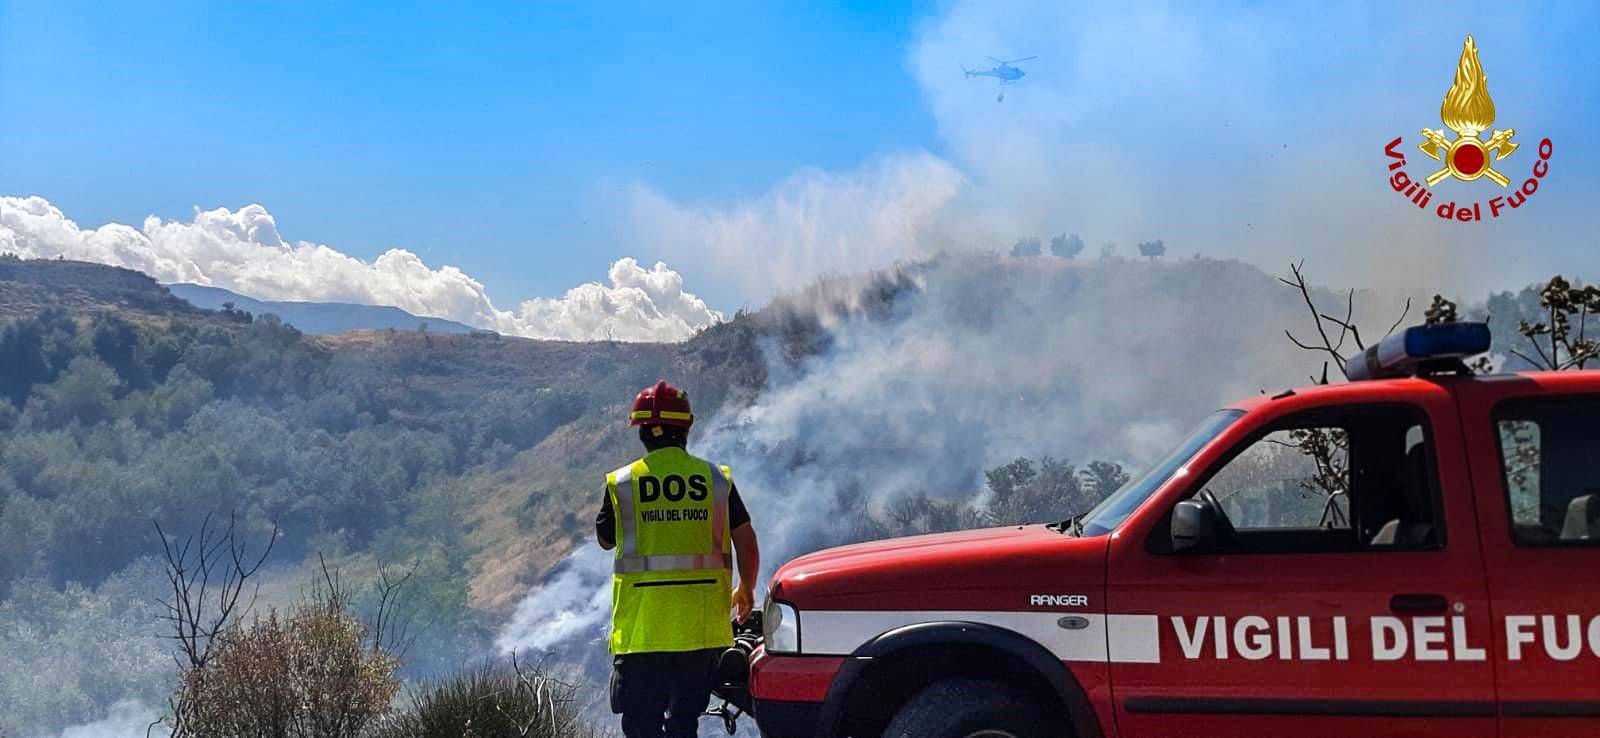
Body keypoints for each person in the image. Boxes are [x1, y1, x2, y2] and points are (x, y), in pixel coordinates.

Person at [597, 379, 760, 738]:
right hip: (700, 631)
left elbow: (606, 539)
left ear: (642, 432)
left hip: (644, 632)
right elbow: (746, 542)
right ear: (686, 427)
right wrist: (745, 589)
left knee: (642, 726)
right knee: (684, 724)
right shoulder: (715, 479)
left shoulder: (623, 483)